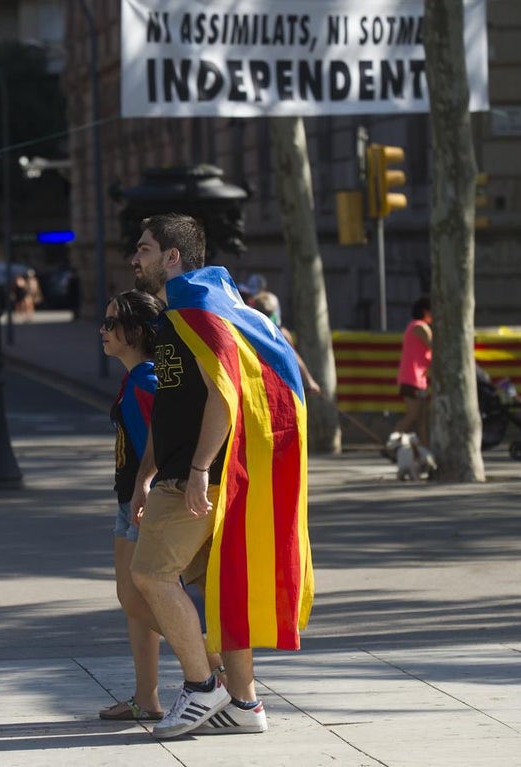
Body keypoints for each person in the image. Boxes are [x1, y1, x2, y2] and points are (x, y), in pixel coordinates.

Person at [129, 213, 313, 739]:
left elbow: (225, 394)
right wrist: (148, 473)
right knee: (216, 590)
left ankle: (201, 687)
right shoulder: (202, 306)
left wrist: (197, 470)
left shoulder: (196, 308)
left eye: (143, 249)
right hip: (203, 475)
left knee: (150, 577)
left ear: (172, 257)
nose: (134, 259)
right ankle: (245, 704)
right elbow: (172, 402)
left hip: (200, 475)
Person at [97, 289, 168, 722]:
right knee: (131, 599)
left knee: (143, 599)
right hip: (129, 501)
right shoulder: (136, 376)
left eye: (110, 324)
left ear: (137, 331)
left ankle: (213, 671)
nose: (102, 332)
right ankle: (147, 698)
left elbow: (163, 439)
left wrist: (147, 485)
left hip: (145, 502)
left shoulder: (147, 378)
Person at [252, 290, 322, 397]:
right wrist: (309, 381)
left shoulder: (249, 329)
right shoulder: (281, 333)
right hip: (272, 386)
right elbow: (295, 358)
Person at [395, 295, 432, 445]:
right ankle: (392, 443)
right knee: (413, 415)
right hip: (412, 378)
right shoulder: (419, 327)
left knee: (421, 417)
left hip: (419, 379)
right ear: (425, 311)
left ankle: (425, 446)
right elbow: (434, 346)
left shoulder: (415, 326)